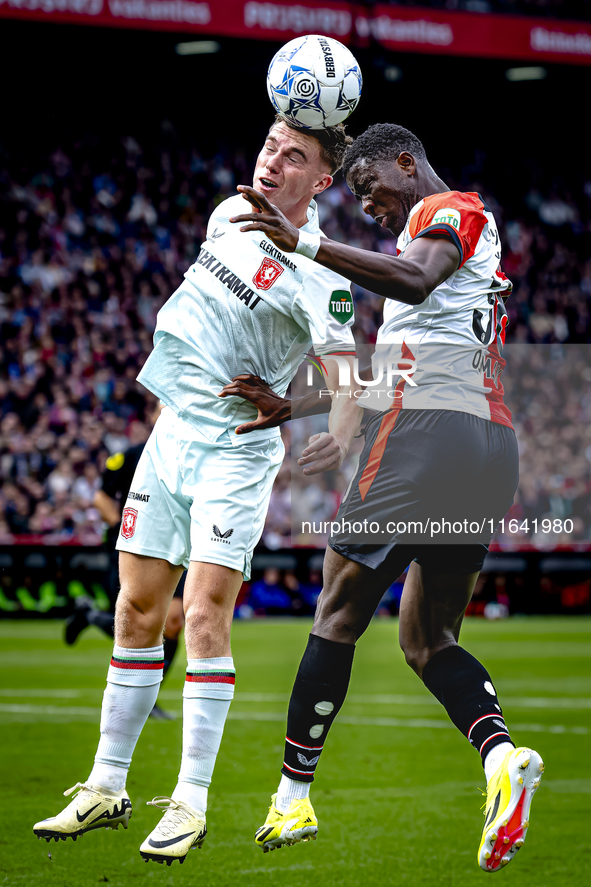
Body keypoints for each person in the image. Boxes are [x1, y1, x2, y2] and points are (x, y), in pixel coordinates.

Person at [33, 116, 362, 866]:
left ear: (321, 181)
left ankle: (189, 800)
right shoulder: (226, 213)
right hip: (171, 435)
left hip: (236, 453)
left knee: (205, 618)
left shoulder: (325, 276)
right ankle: (105, 785)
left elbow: (349, 382)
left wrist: (309, 417)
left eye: (294, 156)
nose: (272, 161)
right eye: (271, 146)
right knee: (136, 608)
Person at [226, 122, 544, 873]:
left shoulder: (448, 213)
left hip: (427, 433)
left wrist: (300, 243)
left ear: (406, 164)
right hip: (486, 445)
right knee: (425, 639)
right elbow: (387, 363)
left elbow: (413, 281)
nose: (366, 204)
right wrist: (294, 403)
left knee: (337, 608)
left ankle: (291, 797)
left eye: (368, 188)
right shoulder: (436, 251)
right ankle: (500, 756)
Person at [64, 413, 184, 721]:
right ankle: (90, 616)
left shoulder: (188, 456)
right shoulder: (132, 456)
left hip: (175, 547)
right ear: (155, 416)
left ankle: (149, 697)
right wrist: (125, 528)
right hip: (133, 550)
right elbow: (102, 498)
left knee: (172, 622)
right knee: (137, 618)